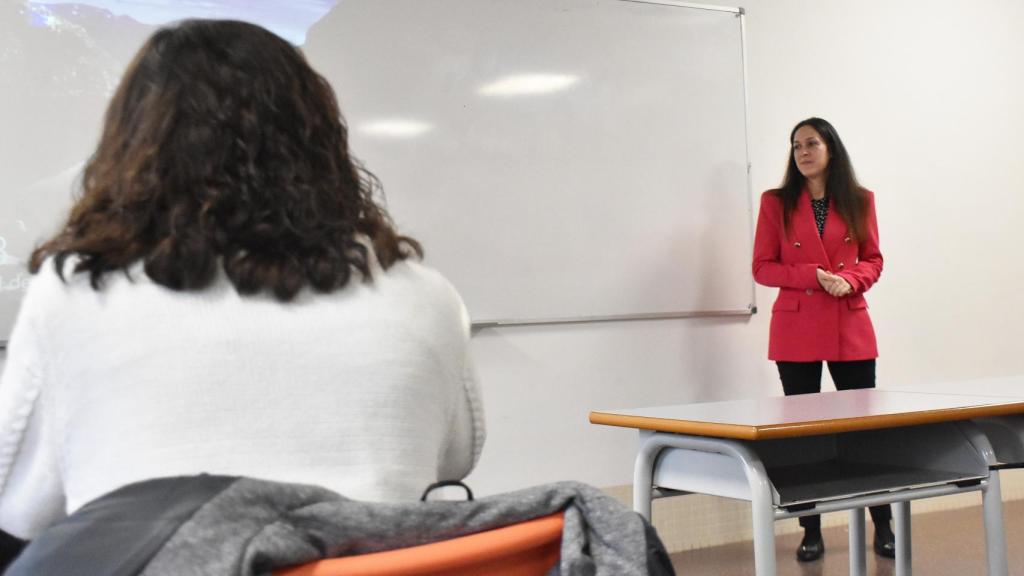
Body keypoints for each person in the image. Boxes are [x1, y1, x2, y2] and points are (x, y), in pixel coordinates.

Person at [0, 18, 485, 557]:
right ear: (320, 140)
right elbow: (456, 457)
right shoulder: (424, 298)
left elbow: (19, 508)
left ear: (135, 144)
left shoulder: (77, 294)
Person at [752, 117, 892, 562]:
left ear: (831, 147)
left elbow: (873, 259)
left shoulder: (860, 199)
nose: (802, 152)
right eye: (796, 146)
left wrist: (849, 280)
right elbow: (762, 267)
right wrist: (811, 276)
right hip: (796, 326)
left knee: (865, 432)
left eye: (811, 143)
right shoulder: (775, 202)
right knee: (803, 436)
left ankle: (883, 525)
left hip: (848, 322)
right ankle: (809, 529)